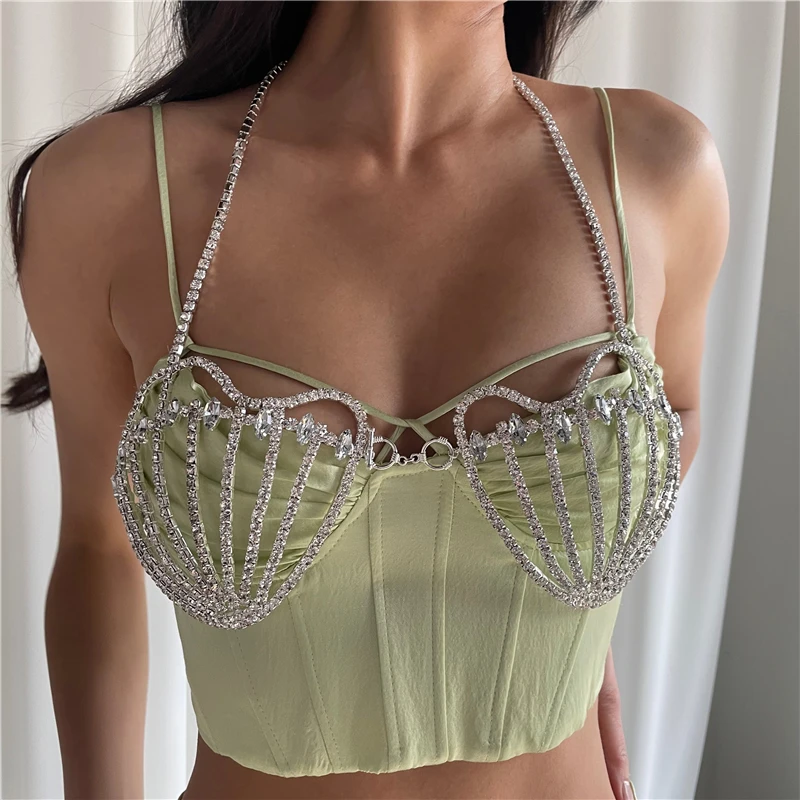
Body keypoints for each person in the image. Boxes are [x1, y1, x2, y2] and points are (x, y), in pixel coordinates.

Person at [6, 2, 728, 798]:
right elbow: (96, 547)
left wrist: (573, 576)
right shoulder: (110, 192)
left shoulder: (655, 167)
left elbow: (678, 408)